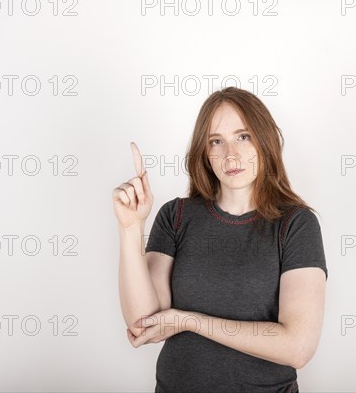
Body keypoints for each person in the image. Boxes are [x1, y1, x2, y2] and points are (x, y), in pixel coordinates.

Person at [112, 87, 328, 393]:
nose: (231, 154)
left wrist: (190, 321)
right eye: (216, 141)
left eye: (243, 136)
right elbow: (143, 323)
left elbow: (297, 347)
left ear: (264, 141)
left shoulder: (295, 225)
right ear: (205, 152)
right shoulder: (176, 216)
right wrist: (131, 228)